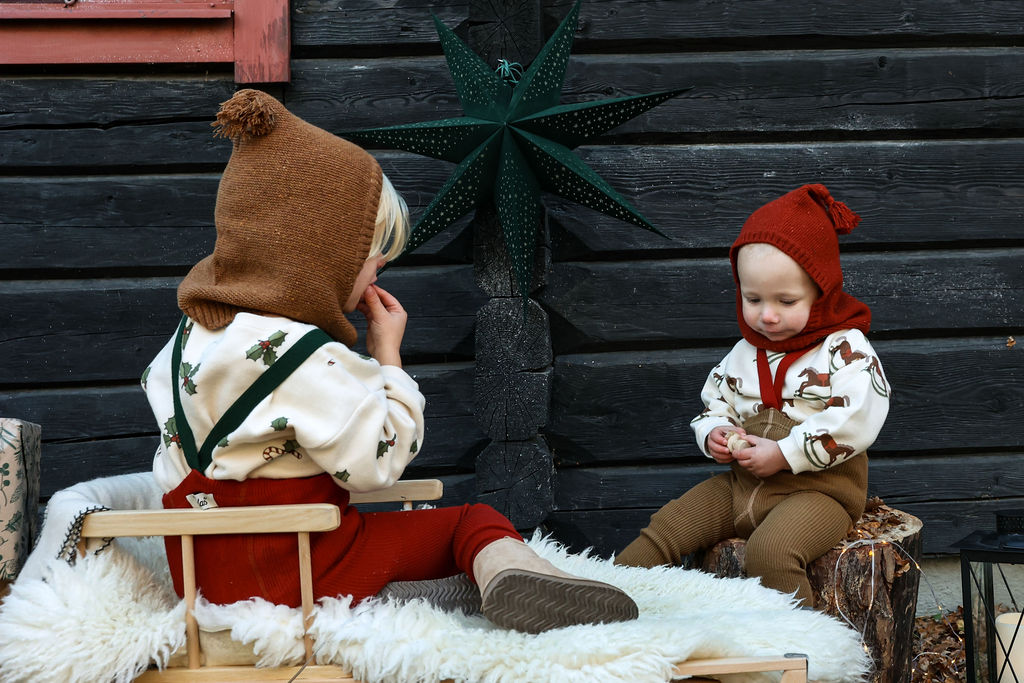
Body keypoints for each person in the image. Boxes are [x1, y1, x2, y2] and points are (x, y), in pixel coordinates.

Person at [141, 88, 637, 634]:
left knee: (394, 544)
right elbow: (377, 466)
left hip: (206, 578)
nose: (378, 267)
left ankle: (441, 592)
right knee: (469, 522)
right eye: (369, 252)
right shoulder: (307, 357)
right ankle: (521, 580)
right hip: (302, 575)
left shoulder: (183, 345)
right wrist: (388, 360)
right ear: (317, 253)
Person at [615, 184, 891, 608]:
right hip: (741, 486)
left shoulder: (843, 349)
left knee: (771, 553)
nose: (766, 315)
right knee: (667, 526)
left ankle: (802, 652)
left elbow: (857, 415)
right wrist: (716, 433)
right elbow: (716, 401)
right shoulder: (744, 353)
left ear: (822, 290)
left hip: (817, 493)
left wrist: (785, 452)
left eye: (786, 300)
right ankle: (606, 592)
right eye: (753, 298)